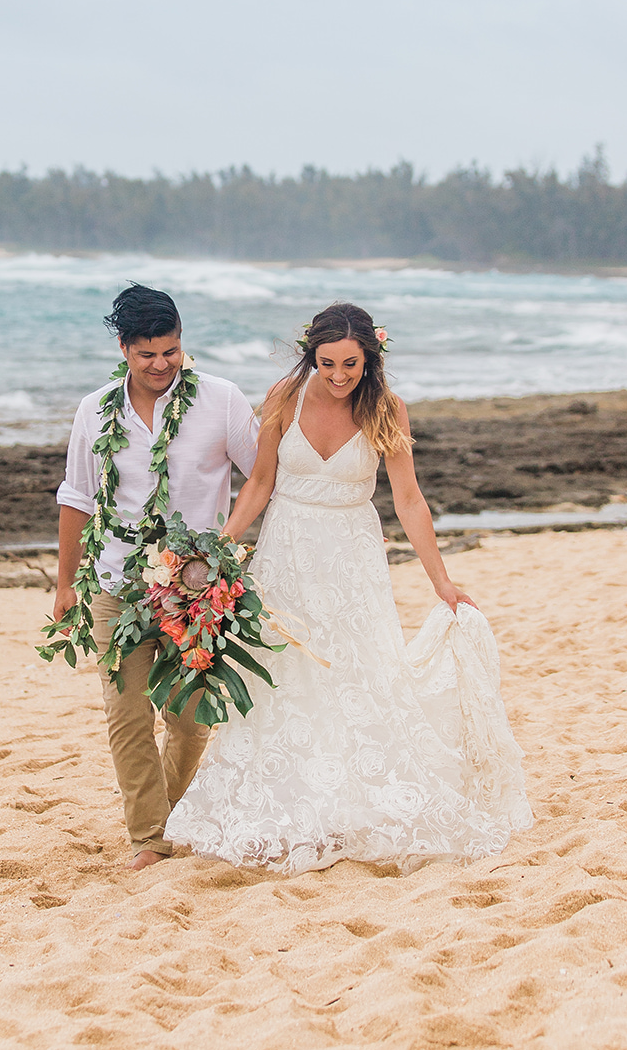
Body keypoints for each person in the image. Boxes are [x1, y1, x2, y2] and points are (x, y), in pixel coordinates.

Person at [166, 302, 531, 874]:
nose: (339, 376)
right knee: (287, 674)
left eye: (351, 364)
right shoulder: (284, 399)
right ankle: (293, 799)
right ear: (312, 355)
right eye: (328, 362)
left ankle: (354, 800)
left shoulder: (387, 409)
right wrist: (217, 553)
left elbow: (408, 498)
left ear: (371, 358)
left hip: (353, 558)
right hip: (286, 550)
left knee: (359, 672)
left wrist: (442, 580)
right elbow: (259, 481)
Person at [54, 284, 259, 871]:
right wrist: (65, 583)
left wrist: (235, 548)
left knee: (190, 719)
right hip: (117, 582)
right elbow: (77, 497)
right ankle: (149, 836)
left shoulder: (220, 401)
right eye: (147, 355)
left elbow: (264, 475)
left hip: (197, 592)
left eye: (170, 351)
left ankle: (168, 812)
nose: (161, 365)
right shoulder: (94, 411)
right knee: (126, 716)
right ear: (123, 349)